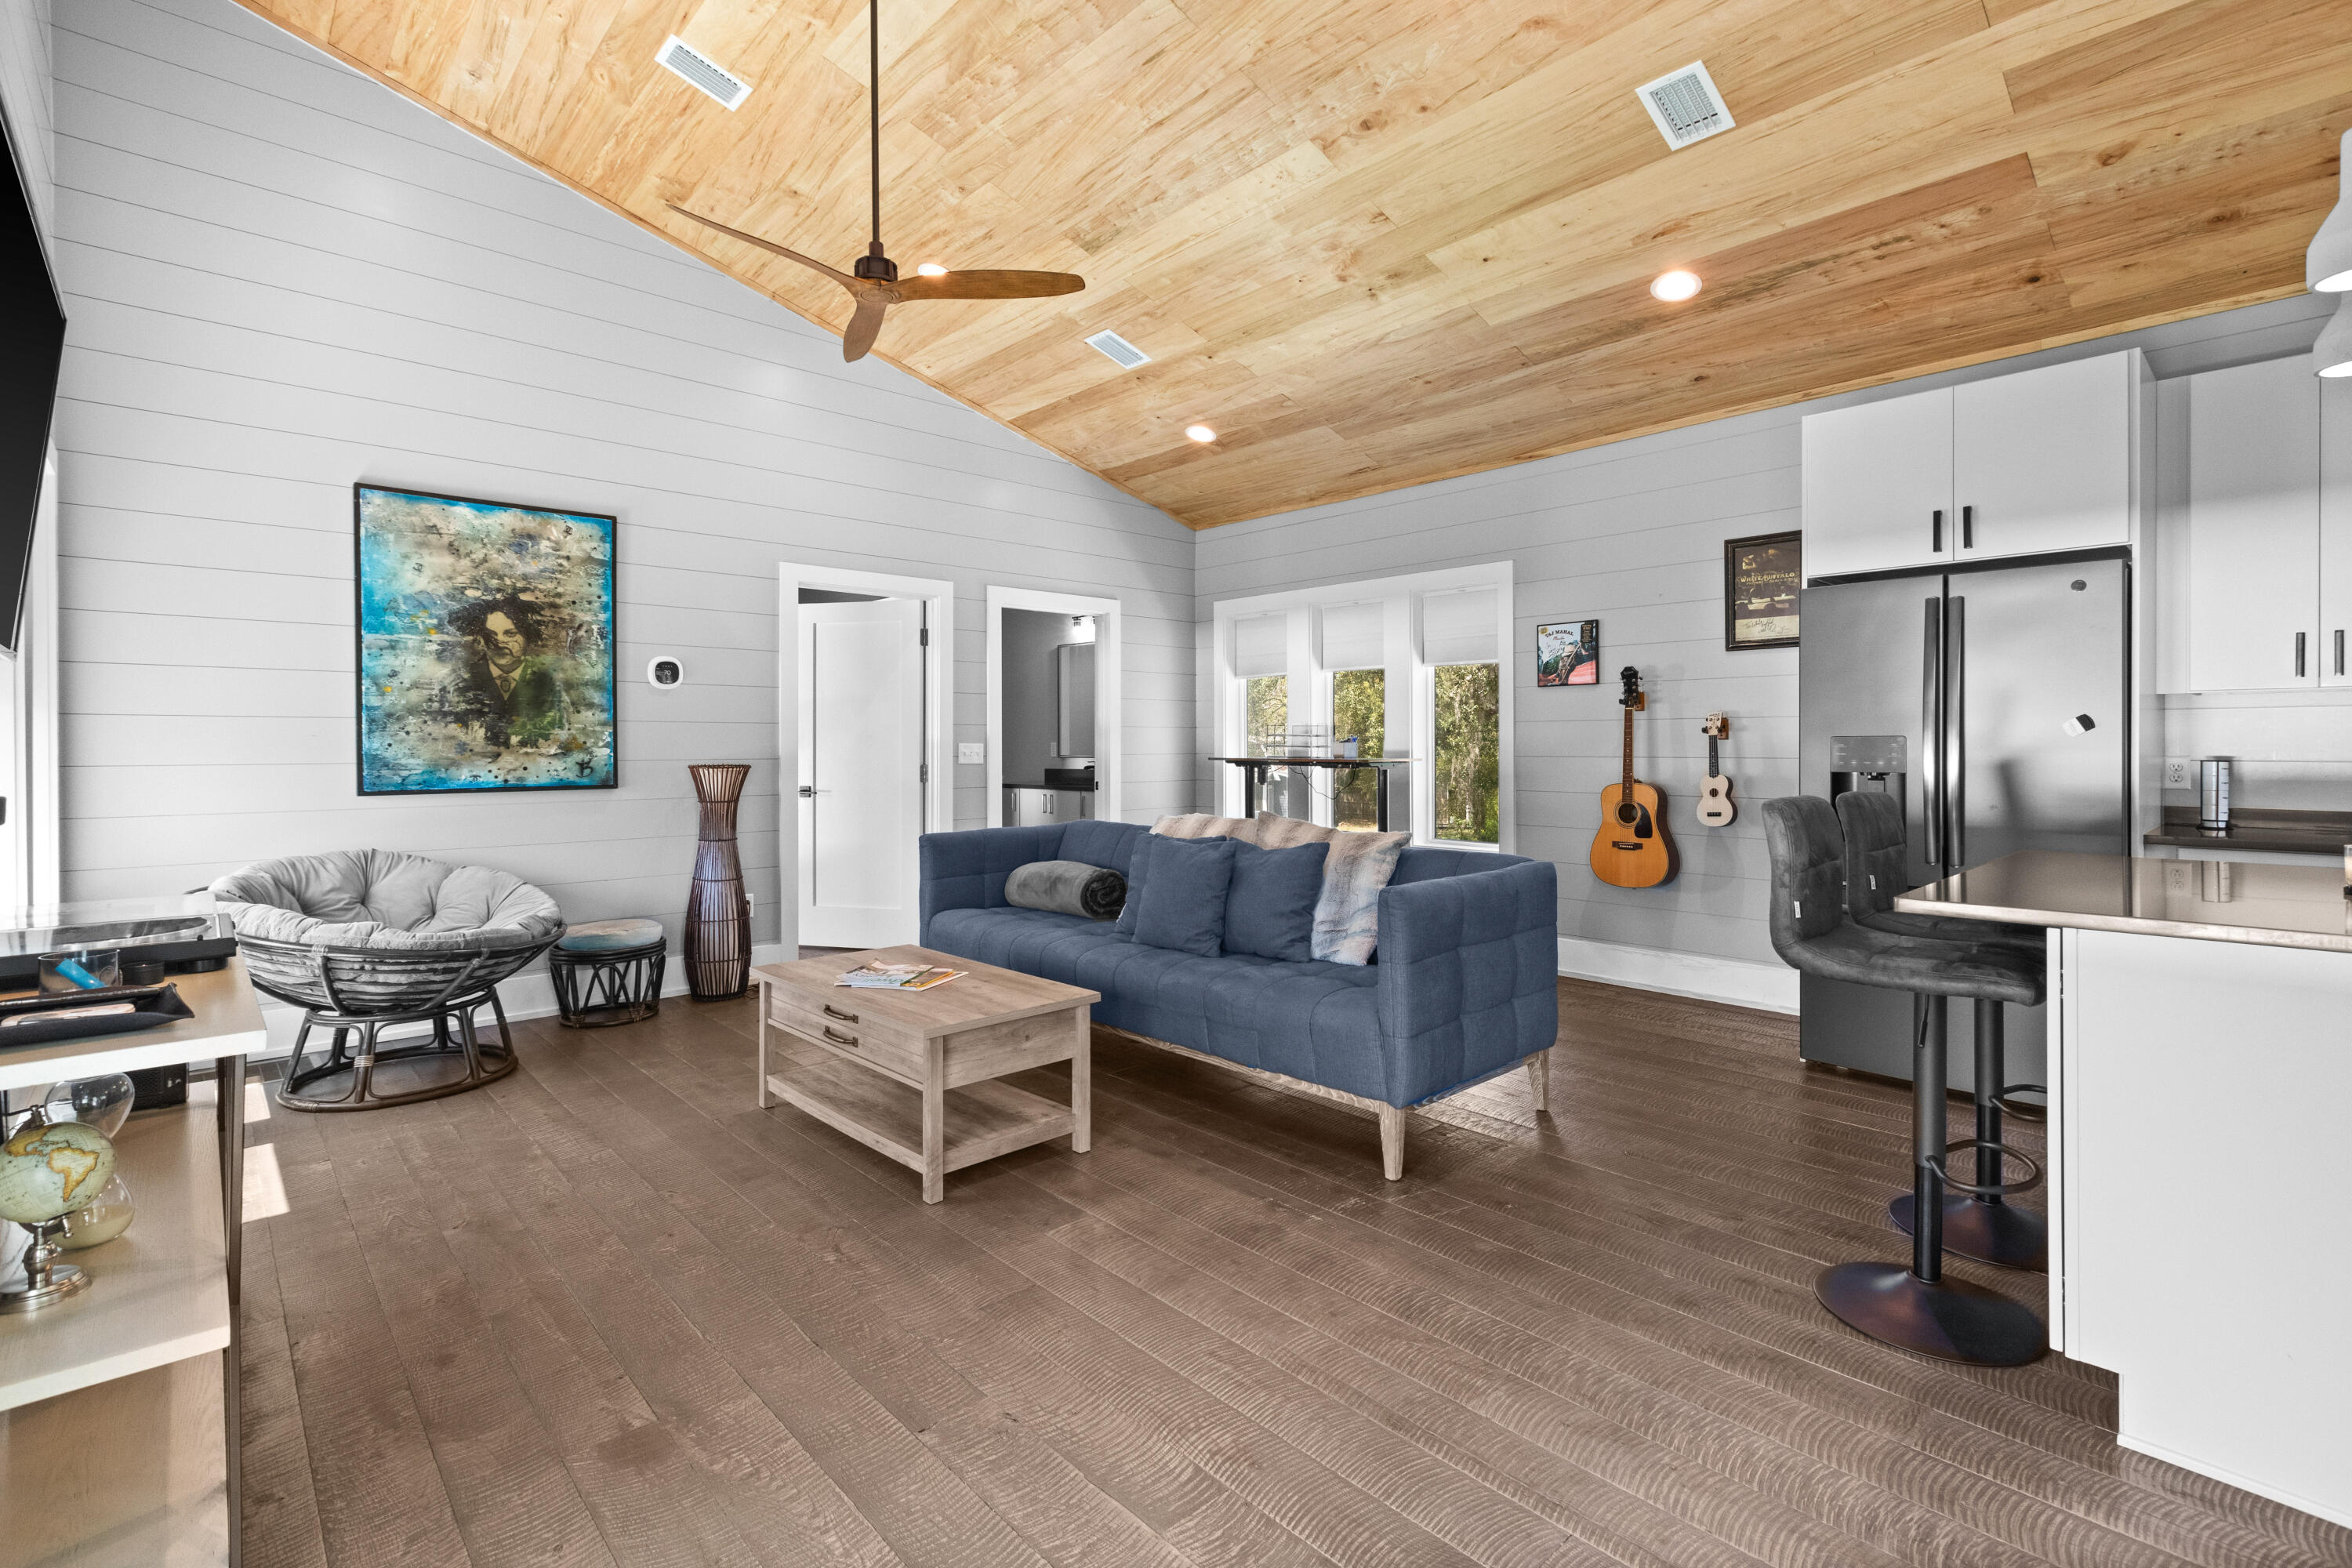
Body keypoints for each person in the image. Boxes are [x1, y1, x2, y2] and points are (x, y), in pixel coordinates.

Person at [454, 597, 562, 746]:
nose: (499, 643)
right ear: (480, 638)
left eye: (510, 634)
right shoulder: (461, 680)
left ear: (528, 636)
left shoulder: (548, 683)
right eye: (491, 635)